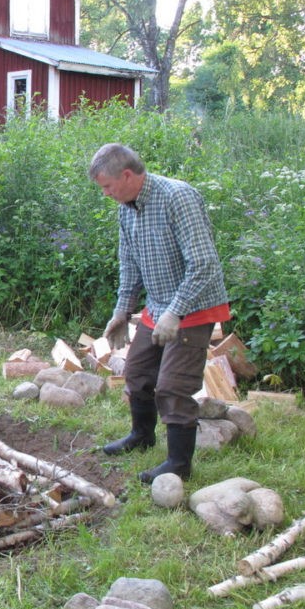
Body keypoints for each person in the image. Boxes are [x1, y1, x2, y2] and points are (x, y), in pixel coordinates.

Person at [90, 143, 230, 484]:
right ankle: (142, 436)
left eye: (107, 186)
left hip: (193, 307)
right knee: (137, 373)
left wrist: (175, 312)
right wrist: (122, 310)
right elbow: (129, 265)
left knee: (172, 387)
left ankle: (179, 464)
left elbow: (204, 264)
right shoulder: (126, 209)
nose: (105, 193)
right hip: (157, 306)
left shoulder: (177, 197)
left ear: (127, 175)